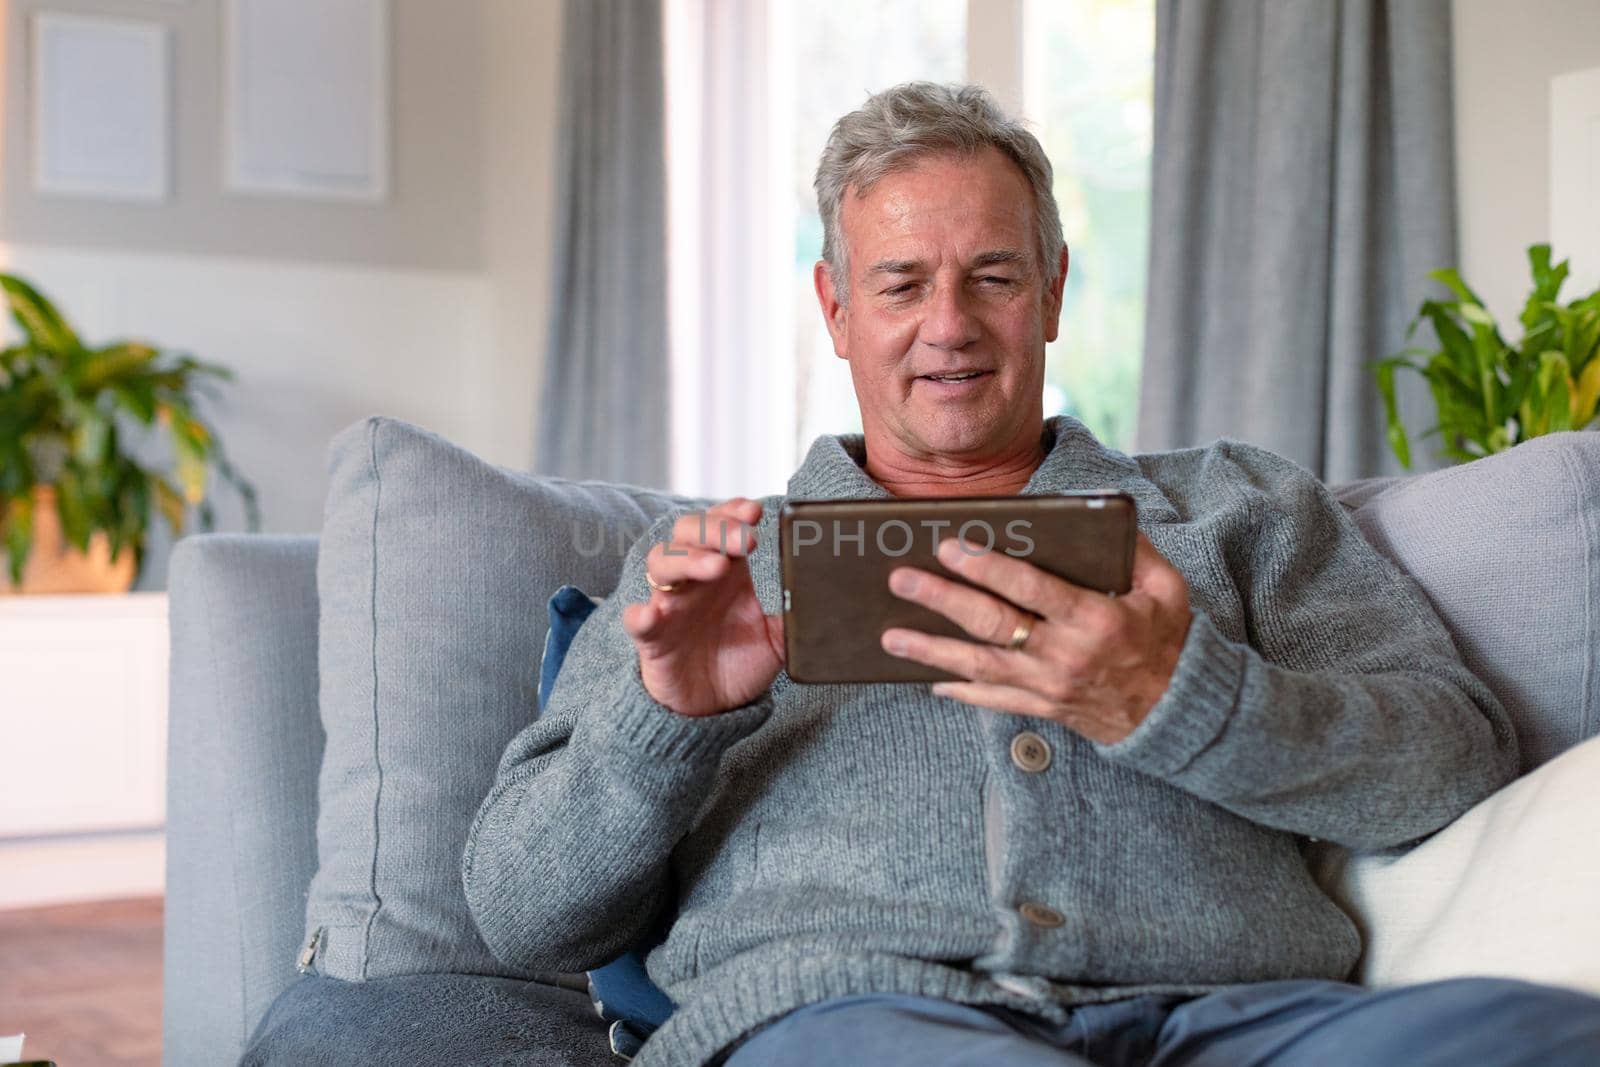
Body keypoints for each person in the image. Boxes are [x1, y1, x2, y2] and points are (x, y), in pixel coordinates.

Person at [463, 83, 1600, 1066]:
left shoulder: (1237, 508)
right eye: (902, 283)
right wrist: (664, 722)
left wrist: (1188, 704)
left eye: (992, 276)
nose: (948, 326)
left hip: (1244, 1018)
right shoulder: (711, 573)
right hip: (857, 1015)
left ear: (1052, 289)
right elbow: (526, 913)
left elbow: (1453, 762)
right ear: (836, 309)